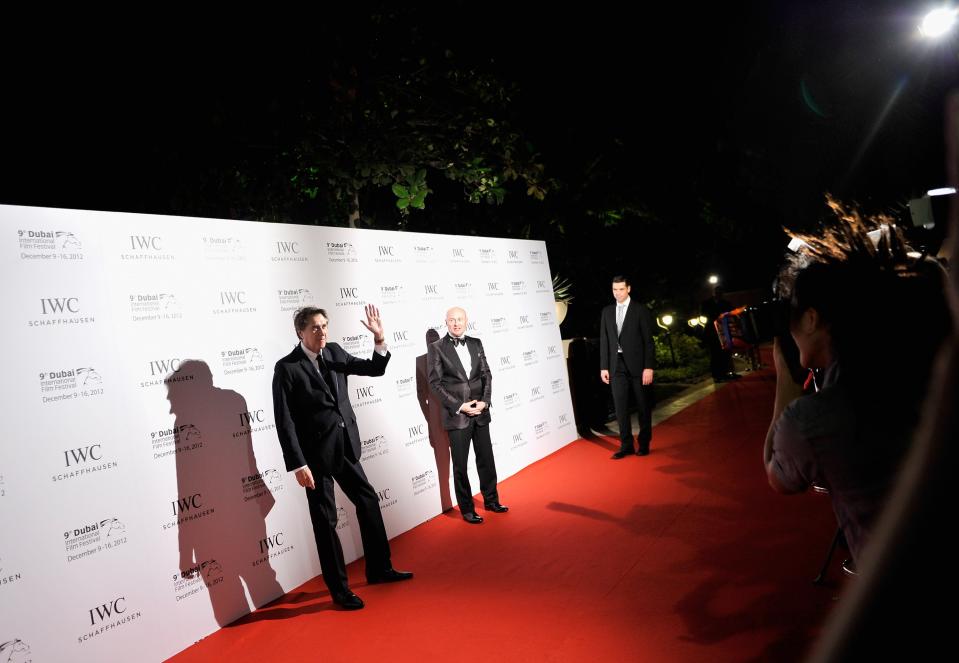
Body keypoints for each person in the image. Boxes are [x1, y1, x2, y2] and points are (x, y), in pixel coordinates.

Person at [763, 201, 951, 567]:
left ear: (812, 319)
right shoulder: (926, 373)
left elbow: (779, 475)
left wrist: (785, 379)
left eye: (793, 316)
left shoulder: (814, 420)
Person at [272, 304, 412, 610]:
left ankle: (379, 569)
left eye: (324, 326)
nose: (322, 332)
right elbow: (285, 421)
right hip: (314, 458)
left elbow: (374, 368)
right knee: (326, 522)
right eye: (314, 328)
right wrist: (297, 463)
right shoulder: (287, 368)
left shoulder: (334, 352)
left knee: (368, 500)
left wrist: (379, 340)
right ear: (300, 332)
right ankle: (339, 589)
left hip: (346, 445)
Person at [427, 307, 508, 524]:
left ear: (466, 321)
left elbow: (486, 374)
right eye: (452, 320)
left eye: (460, 319)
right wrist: (460, 406)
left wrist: (485, 401)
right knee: (460, 466)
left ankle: (491, 500)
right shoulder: (436, 348)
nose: (456, 323)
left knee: (486, 459)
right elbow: (435, 384)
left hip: (480, 412)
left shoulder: (476, 343)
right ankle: (467, 509)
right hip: (458, 416)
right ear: (446, 322)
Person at [599, 275, 656, 458]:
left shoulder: (640, 310)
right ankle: (626, 445)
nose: (617, 293)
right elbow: (604, 341)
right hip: (616, 366)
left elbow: (648, 341)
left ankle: (644, 443)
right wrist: (604, 366)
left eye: (621, 289)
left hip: (639, 366)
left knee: (642, 405)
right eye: (614, 289)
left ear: (628, 289)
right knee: (620, 407)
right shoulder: (607, 312)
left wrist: (649, 367)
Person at [701, 286, 740, 382]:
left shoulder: (726, 303)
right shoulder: (706, 303)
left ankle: (726, 373)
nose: (718, 294)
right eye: (716, 292)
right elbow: (705, 314)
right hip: (712, 332)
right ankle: (716, 376)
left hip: (724, 331)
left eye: (720, 292)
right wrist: (718, 317)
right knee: (715, 354)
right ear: (713, 292)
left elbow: (732, 313)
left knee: (726, 353)